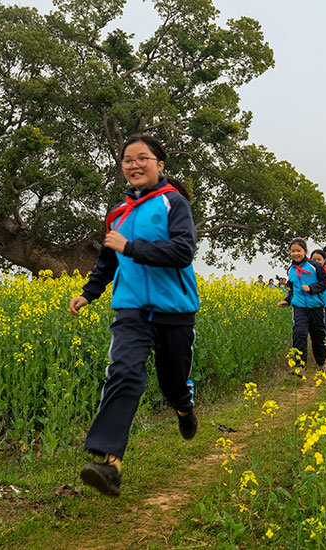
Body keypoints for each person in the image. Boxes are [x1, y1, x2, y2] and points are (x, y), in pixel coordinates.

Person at [68, 134, 200, 497]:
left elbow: (182, 252)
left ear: (159, 163)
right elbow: (108, 259)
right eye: (128, 160)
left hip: (174, 310)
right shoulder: (117, 212)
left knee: (173, 382)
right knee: (123, 371)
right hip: (131, 309)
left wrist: (132, 247)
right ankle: (109, 466)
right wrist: (88, 293)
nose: (135, 165)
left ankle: (184, 406)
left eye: (143, 158)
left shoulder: (174, 203)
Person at [277, 237, 326, 370]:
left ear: (305, 251)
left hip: (316, 307)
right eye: (293, 251)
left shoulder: (315, 266)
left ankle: (321, 363)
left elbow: (325, 283)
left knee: (318, 337)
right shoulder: (291, 270)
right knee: (299, 333)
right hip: (299, 308)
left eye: (298, 250)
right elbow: (293, 289)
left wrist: (311, 288)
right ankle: (299, 366)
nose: (295, 253)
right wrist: (287, 301)